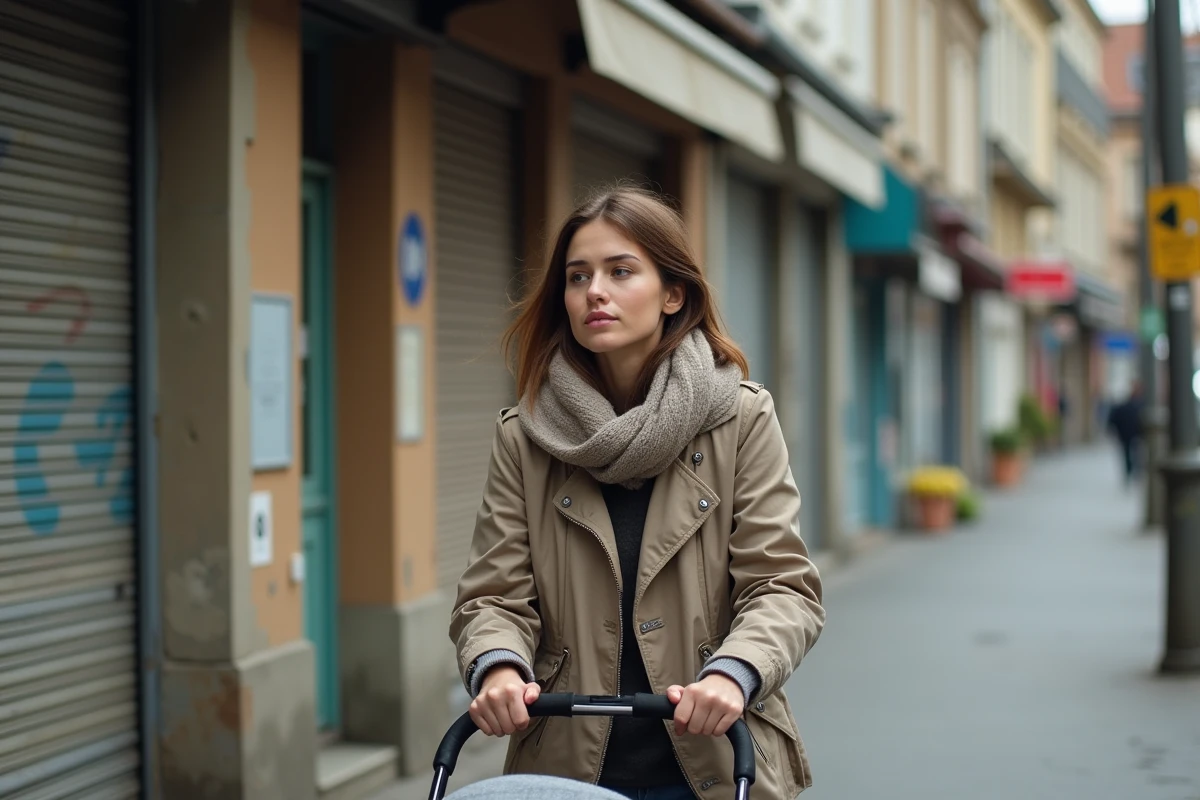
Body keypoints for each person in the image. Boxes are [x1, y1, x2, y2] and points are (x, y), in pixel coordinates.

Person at [449, 187, 825, 800]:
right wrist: (497, 664)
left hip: (718, 759)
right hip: (565, 767)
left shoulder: (740, 418)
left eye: (621, 271)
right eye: (578, 277)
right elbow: (493, 597)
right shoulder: (525, 437)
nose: (594, 290)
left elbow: (781, 586)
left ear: (673, 294)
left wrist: (734, 673)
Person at [1107, 381, 1145, 485]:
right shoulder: (1134, 405)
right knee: (1131, 454)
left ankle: (1132, 471)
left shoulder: (1139, 404)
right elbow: (1114, 419)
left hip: (1133, 435)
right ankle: (1131, 471)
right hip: (1129, 434)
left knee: (1133, 454)